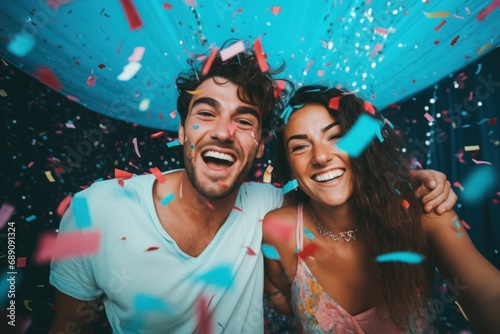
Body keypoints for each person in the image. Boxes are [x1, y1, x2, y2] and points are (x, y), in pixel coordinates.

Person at [49, 43, 457, 334]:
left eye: (244, 121)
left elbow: (342, 190)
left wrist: (411, 182)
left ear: (260, 145)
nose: (225, 132)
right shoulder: (95, 210)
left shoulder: (274, 209)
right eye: (206, 113)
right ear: (180, 131)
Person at [262, 85, 500, 333]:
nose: (321, 157)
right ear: (290, 168)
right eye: (300, 146)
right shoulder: (280, 230)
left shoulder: (423, 212)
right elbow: (281, 296)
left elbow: (489, 298)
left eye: (336, 136)